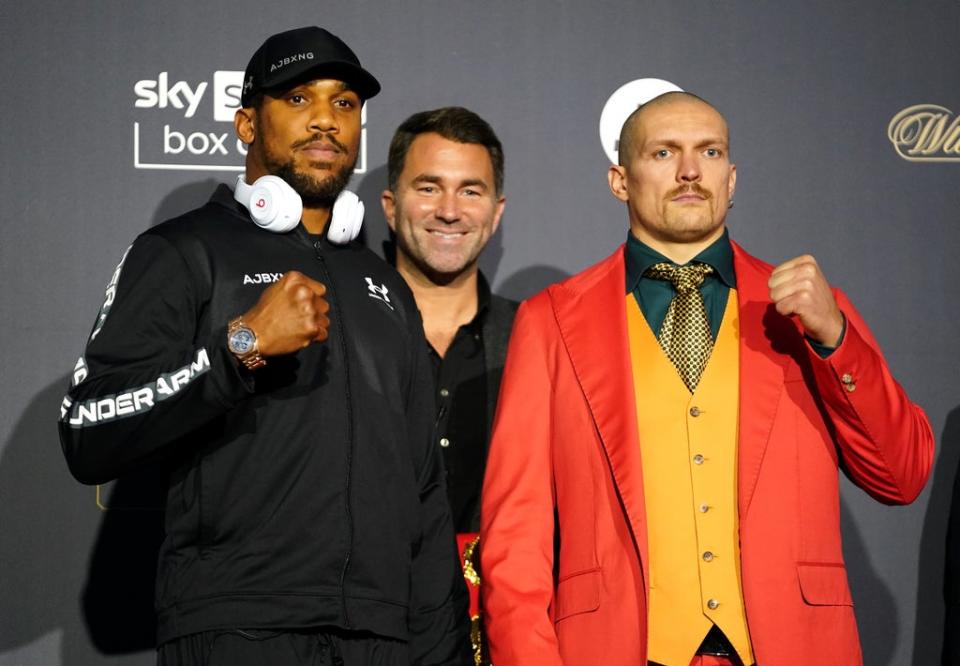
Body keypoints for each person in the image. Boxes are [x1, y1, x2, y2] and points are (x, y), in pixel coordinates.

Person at [59, 26, 470, 666]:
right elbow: (88, 429)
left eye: (344, 104)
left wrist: (441, 652)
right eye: (299, 99)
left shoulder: (383, 283)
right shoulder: (183, 252)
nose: (326, 121)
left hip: (383, 638)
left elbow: (423, 492)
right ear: (247, 123)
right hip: (241, 626)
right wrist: (240, 345)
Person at [479, 91, 935, 666]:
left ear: (733, 177)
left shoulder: (807, 308)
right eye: (664, 152)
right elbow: (515, 539)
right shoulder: (551, 320)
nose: (691, 171)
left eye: (710, 152)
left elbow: (903, 474)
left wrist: (835, 339)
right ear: (620, 180)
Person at [381, 107, 518, 663]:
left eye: (471, 191)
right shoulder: (330, 331)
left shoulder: (539, 339)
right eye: (428, 187)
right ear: (390, 207)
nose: (449, 211)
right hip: (366, 631)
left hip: (504, 633)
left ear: (496, 211)